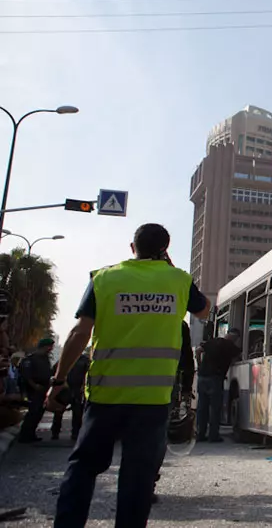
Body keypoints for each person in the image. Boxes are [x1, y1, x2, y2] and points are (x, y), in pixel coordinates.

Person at [45, 223, 210, 528]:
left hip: (105, 394)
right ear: (165, 250)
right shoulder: (178, 280)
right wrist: (170, 269)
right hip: (152, 400)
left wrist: (58, 380)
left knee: (83, 467)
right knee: (139, 477)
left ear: (132, 247)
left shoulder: (105, 278)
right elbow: (203, 311)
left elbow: (80, 332)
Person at [152, 319, 196, 505]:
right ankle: (147, 482)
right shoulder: (178, 323)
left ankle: (132, 481)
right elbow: (186, 359)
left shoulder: (126, 308)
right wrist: (186, 389)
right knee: (156, 434)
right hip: (163, 385)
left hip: (123, 384)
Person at [194, 328, 240, 442]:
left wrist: (200, 365)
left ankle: (200, 434)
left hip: (203, 377)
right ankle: (213, 436)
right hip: (215, 379)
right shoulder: (232, 347)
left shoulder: (212, 341)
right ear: (236, 338)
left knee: (202, 407)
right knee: (215, 408)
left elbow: (198, 351)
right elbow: (238, 359)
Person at [18, 337, 54, 443]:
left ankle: (31, 433)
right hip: (33, 390)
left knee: (39, 413)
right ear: (43, 347)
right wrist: (35, 386)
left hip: (43, 389)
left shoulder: (45, 359)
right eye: (49, 346)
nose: (50, 349)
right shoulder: (30, 359)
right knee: (33, 412)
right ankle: (24, 435)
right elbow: (26, 376)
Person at [50, 350, 90, 441]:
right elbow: (55, 372)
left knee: (77, 413)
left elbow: (88, 374)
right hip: (63, 389)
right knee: (59, 411)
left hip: (77, 389)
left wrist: (83, 387)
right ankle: (55, 432)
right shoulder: (64, 359)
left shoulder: (84, 360)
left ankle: (75, 434)